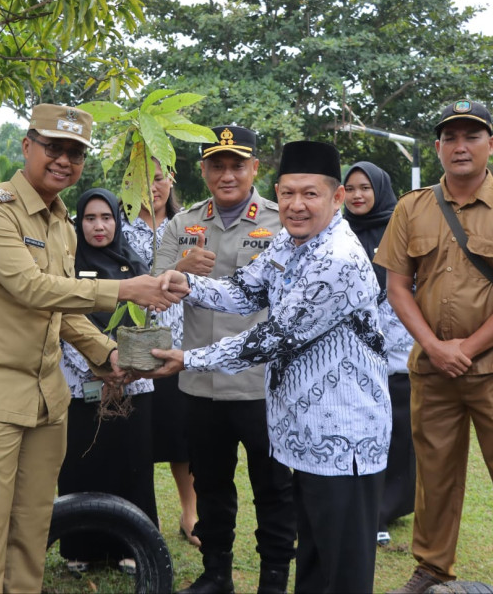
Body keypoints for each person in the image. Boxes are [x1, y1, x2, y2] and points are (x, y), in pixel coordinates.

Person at [0, 103, 182, 593]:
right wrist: (125, 289)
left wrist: (107, 354)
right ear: (27, 146)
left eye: (75, 152)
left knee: (31, 529)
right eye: (53, 148)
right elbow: (30, 288)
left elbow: (61, 309)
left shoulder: (61, 223)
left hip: (46, 400)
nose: (64, 160)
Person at [151, 140, 391, 594]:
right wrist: (188, 283)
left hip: (344, 438)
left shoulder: (337, 258)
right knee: (315, 561)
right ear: (277, 192)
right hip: (305, 433)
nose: (297, 205)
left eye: (310, 194)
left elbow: (273, 337)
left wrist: (189, 358)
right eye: (288, 193)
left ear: (337, 198)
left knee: (342, 570)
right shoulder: (290, 240)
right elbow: (245, 290)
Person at [376, 100, 493, 594]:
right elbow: (398, 288)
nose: (461, 146)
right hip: (434, 369)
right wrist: (434, 347)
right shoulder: (412, 207)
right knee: (435, 476)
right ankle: (433, 567)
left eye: (472, 136)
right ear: (438, 147)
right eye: (450, 138)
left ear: (491, 145)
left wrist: (467, 348)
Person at [154, 125, 296, 594]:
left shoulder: (281, 221)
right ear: (204, 171)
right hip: (202, 381)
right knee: (211, 485)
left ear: (255, 168)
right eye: (218, 165)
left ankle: (274, 579)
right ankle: (216, 574)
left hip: (262, 383)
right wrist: (180, 270)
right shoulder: (183, 224)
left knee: (273, 487)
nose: (227, 174)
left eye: (237, 164)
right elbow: (152, 289)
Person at [58, 188, 158, 572]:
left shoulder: (135, 263)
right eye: (89, 218)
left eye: (106, 218)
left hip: (132, 381)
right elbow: (62, 317)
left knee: (131, 464)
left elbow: (150, 319)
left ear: (117, 221)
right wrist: (97, 364)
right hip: (81, 380)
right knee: (84, 463)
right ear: (78, 222)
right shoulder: (67, 265)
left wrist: (126, 368)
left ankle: (132, 546)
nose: (98, 226)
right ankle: (81, 547)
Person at [122, 158, 200, 547]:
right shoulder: (115, 227)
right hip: (132, 348)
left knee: (180, 436)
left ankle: (190, 513)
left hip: (181, 344)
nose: (150, 187)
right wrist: (181, 266)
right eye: (139, 179)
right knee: (137, 439)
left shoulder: (190, 225)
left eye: (157, 178)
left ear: (171, 178)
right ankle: (138, 519)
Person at [343, 161, 416, 546]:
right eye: (351, 188)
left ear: (380, 189)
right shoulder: (337, 231)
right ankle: (364, 504)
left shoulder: (401, 229)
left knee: (399, 432)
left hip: (398, 352)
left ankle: (387, 508)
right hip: (352, 356)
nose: (357, 195)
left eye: (365, 187)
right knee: (359, 431)